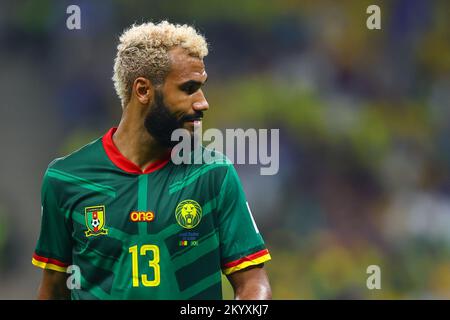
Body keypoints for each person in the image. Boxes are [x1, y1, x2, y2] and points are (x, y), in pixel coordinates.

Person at [32, 21, 272, 300]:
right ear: (143, 90)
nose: (203, 102)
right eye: (188, 88)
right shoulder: (66, 179)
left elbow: (254, 284)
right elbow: (53, 289)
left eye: (201, 87)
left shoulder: (213, 175)